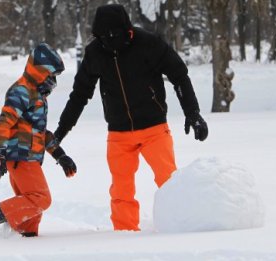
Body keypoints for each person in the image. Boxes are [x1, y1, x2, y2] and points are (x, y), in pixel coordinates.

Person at [54, 4, 208, 231]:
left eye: (115, 35)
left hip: (154, 127)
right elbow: (80, 94)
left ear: (127, 30)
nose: (111, 40)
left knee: (168, 181)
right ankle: (124, 234)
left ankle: (179, 227)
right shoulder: (96, 52)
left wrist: (193, 113)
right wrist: (61, 130)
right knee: (121, 190)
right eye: (105, 37)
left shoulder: (148, 43)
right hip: (119, 132)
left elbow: (179, 74)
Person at [0, 43, 77, 238]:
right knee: (41, 198)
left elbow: (40, 132)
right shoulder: (21, 91)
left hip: (30, 158)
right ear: (40, 71)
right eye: (52, 75)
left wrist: (60, 155)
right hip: (21, 158)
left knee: (30, 215)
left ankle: (26, 242)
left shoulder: (38, 95)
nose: (54, 81)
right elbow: (4, 122)